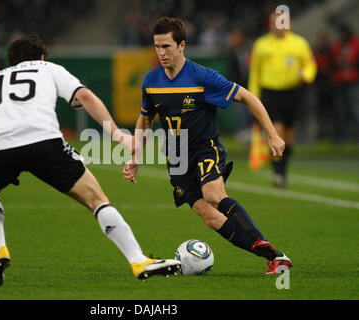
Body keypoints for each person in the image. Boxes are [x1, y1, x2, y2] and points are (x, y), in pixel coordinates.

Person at [0, 35, 180, 287]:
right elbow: (85, 97)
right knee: (96, 200)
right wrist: (119, 135)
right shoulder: (49, 69)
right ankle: (137, 259)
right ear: (42, 57)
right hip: (45, 142)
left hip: (0, 146)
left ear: (10, 62)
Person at [123, 17, 292, 275]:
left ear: (182, 45)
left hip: (205, 148)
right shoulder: (151, 81)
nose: (161, 52)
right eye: (157, 46)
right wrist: (135, 154)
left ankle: (263, 244)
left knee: (213, 194)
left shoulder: (202, 76)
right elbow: (145, 119)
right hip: (177, 158)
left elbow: (247, 97)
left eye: (166, 46)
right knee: (211, 217)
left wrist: (272, 135)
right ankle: (272, 255)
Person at [248, 12, 317, 188]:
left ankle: (283, 171)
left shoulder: (299, 43)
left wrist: (306, 75)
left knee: (288, 136)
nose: (279, 25)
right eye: (276, 22)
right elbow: (255, 73)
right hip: (271, 93)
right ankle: (277, 173)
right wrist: (253, 97)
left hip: (292, 93)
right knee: (276, 131)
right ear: (270, 24)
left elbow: (310, 65)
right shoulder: (261, 45)